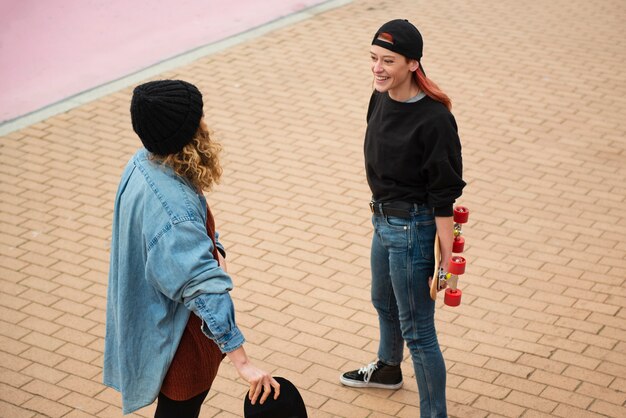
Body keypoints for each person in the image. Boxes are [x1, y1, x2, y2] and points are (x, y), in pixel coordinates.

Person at [104, 79, 280, 416]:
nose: (204, 122)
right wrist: (242, 362)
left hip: (165, 324)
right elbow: (203, 289)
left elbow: (196, 242)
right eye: (198, 117)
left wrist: (217, 252)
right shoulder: (174, 208)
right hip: (183, 339)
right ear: (184, 133)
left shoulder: (142, 163)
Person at [339, 19, 465, 417]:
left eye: (387, 60)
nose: (377, 67)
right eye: (374, 58)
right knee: (383, 300)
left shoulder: (434, 120)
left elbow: (443, 196)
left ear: (413, 64)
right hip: (383, 220)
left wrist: (447, 255)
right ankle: (388, 369)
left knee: (419, 332)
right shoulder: (381, 97)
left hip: (412, 229)